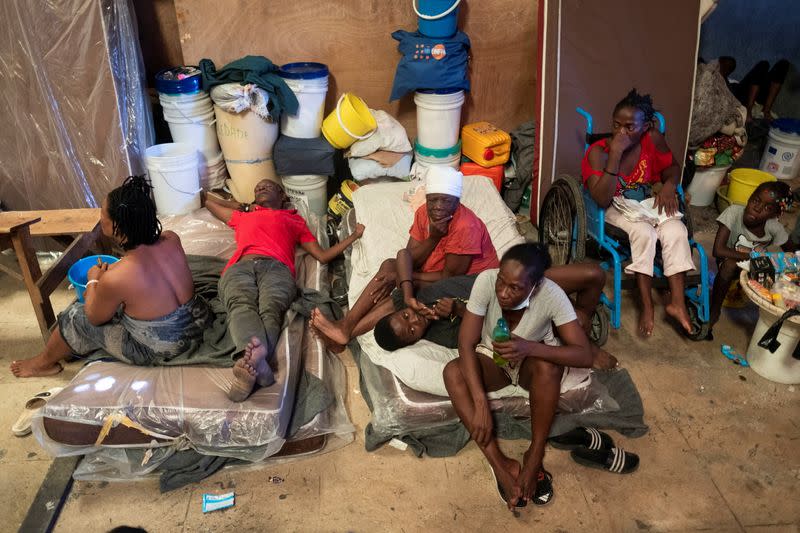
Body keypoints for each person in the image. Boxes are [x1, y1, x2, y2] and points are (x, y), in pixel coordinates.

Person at [10, 176, 210, 378]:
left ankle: (42, 363)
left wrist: (93, 279)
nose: (100, 216)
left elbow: (94, 318)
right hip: (200, 322)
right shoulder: (172, 238)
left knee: (74, 316)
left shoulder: (116, 277)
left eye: (102, 213)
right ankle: (66, 348)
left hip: (168, 347)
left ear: (117, 227)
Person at [443, 242, 593, 509]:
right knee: (453, 372)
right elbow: (466, 341)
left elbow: (584, 354)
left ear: (534, 286)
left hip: (529, 365)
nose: (503, 292)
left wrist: (530, 347)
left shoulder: (552, 295)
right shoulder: (486, 281)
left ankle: (534, 455)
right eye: (502, 280)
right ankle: (500, 465)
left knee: (549, 367)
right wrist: (480, 404)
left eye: (514, 288)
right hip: (493, 360)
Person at [203, 179, 364, 401]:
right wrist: (241, 205)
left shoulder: (294, 220)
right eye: (257, 187)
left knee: (271, 309)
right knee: (240, 304)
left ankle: (252, 363)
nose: (261, 187)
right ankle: (259, 364)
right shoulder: (244, 216)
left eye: (268, 186)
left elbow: (323, 256)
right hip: (240, 267)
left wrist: (353, 236)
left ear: (283, 196)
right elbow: (209, 203)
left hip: (276, 269)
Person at [310, 165, 497, 348]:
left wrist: (406, 278)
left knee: (402, 291)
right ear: (427, 197)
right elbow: (408, 257)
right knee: (390, 267)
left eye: (446, 201)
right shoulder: (424, 212)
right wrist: (433, 239)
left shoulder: (465, 226)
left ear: (457, 200)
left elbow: (449, 279)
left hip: (467, 282)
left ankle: (345, 333)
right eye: (433, 200)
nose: (438, 207)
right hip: (437, 273)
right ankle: (346, 326)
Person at [582, 89, 695, 337]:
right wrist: (615, 154)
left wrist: (668, 187)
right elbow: (601, 199)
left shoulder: (652, 139)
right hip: (613, 208)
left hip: (644, 204)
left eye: (630, 127)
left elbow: (673, 167)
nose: (621, 132)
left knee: (677, 230)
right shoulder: (598, 153)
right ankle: (647, 306)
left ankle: (677, 303)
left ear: (645, 128)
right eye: (616, 125)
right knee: (645, 234)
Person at [369, 260, 618, 369]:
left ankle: (582, 319)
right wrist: (458, 310)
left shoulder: (411, 298)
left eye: (405, 317)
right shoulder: (442, 334)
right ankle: (586, 338)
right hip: (518, 306)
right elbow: (493, 328)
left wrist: (408, 291)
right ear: (415, 341)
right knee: (579, 323)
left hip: (511, 279)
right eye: (412, 332)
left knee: (594, 274)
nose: (414, 321)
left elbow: (401, 256)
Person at [709, 181, 791, 334]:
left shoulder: (774, 227)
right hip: (730, 261)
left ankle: (775, 323)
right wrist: (754, 256)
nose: (757, 208)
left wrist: (782, 263)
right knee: (730, 265)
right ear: (749, 198)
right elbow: (718, 250)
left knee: (785, 278)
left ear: (775, 215)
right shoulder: (734, 212)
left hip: (754, 269)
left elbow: (792, 251)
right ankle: (714, 311)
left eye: (767, 208)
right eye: (756, 200)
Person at [719, 56, 791, 123]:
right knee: (763, 64)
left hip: (755, 95)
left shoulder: (724, 79)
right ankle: (748, 111)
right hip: (742, 96)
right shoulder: (716, 78)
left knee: (783, 64)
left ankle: (766, 110)